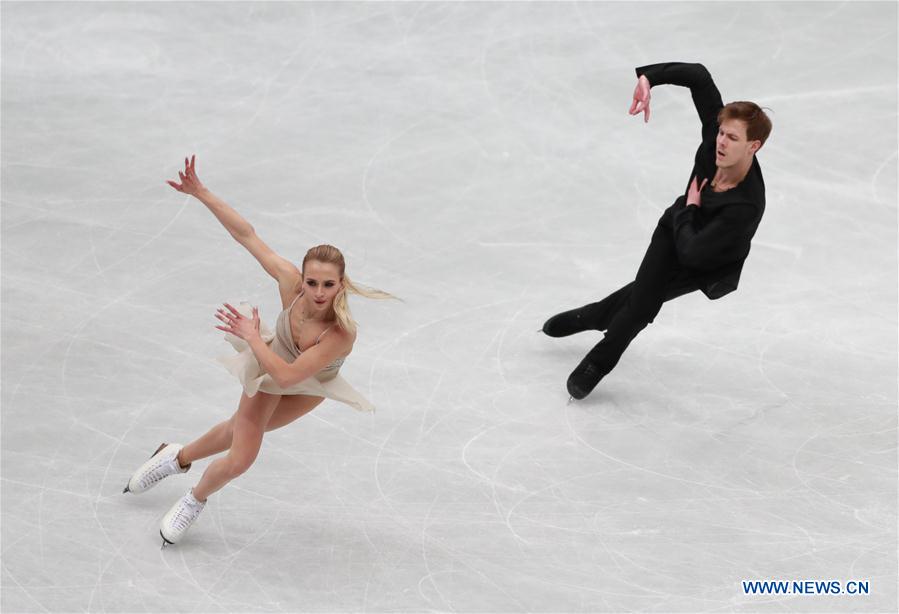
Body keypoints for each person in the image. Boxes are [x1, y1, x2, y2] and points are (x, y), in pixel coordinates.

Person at [124, 156, 393, 546]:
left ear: (341, 284)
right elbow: (247, 235)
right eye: (313, 282)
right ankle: (195, 497)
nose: (318, 293)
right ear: (303, 277)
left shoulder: (340, 333)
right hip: (271, 373)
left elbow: (292, 378)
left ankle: (175, 456)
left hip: (309, 385)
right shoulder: (291, 284)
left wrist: (251, 335)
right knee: (242, 457)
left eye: (328, 285)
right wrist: (202, 193)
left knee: (239, 429)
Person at [543, 62, 772, 399]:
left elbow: (694, 252)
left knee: (643, 296)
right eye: (722, 132)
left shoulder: (745, 205)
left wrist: (692, 208)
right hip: (674, 230)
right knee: (643, 304)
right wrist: (648, 78)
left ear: (754, 146)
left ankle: (593, 315)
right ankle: (598, 361)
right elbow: (698, 75)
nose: (721, 142)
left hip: (708, 261)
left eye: (732, 138)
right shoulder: (715, 141)